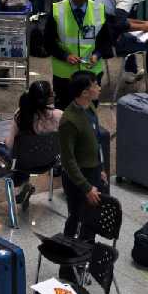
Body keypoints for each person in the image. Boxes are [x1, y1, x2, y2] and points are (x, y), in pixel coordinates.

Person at [58, 71, 108, 254]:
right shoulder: (69, 121)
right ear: (85, 92)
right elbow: (68, 160)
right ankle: (67, 259)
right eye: (96, 85)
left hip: (93, 171)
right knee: (76, 218)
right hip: (78, 178)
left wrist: (100, 167)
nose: (99, 88)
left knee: (91, 219)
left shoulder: (90, 108)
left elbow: (95, 141)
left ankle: (85, 256)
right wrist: (86, 187)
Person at [45, 0, 112, 110]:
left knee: (90, 110)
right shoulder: (58, 10)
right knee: (64, 111)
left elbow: (107, 41)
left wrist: (97, 55)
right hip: (65, 74)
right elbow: (48, 42)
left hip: (91, 73)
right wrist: (65, 56)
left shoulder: (99, 10)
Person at [0, 81, 64, 205]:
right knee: (31, 151)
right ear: (49, 98)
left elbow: (9, 144)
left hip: (24, 164)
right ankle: (24, 186)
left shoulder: (21, 116)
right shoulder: (59, 116)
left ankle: (22, 184)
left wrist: (2, 143)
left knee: (9, 151)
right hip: (50, 162)